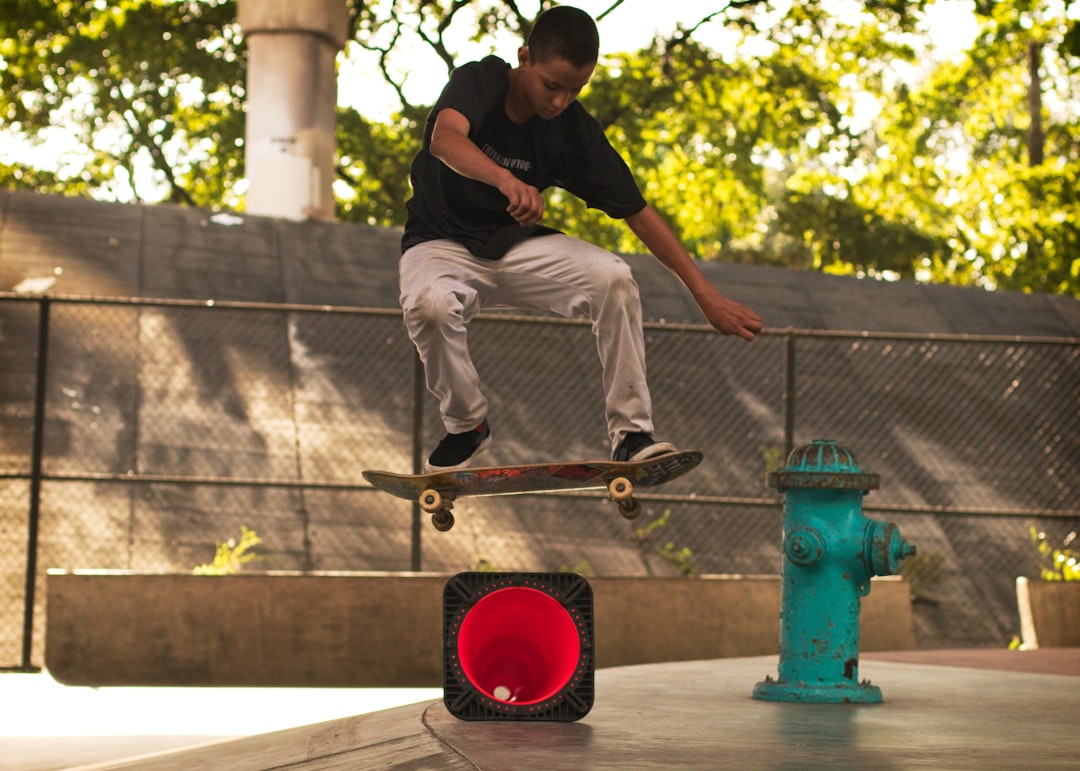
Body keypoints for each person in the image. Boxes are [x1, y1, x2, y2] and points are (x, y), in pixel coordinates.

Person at [400, 5, 762, 472]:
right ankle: (466, 423)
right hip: (439, 242)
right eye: (552, 86)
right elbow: (445, 140)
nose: (559, 102)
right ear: (525, 58)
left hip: (514, 248)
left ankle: (632, 435)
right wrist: (504, 180)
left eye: (575, 90)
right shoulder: (481, 82)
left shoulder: (573, 132)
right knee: (430, 307)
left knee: (612, 277)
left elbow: (640, 213)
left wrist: (707, 297)